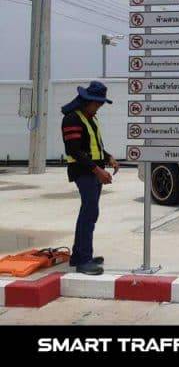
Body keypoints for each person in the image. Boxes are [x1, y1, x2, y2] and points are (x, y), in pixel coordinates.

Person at [61, 81, 119, 275]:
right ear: (88, 101)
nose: (100, 106)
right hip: (82, 171)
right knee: (90, 213)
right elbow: (74, 150)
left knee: (88, 213)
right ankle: (84, 261)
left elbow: (95, 146)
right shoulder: (72, 119)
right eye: (98, 103)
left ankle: (79, 255)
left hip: (93, 171)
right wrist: (98, 171)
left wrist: (108, 157)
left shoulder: (91, 118)